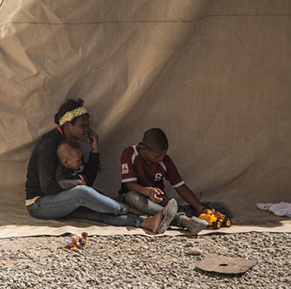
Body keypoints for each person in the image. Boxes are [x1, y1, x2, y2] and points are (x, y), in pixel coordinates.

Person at [25, 98, 177, 233]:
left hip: (62, 200)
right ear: (67, 125)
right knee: (82, 194)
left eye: (88, 125)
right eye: (82, 126)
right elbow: (48, 187)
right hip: (40, 204)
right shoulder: (49, 144)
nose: (87, 130)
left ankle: (145, 222)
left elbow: (87, 182)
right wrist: (75, 185)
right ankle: (135, 211)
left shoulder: (72, 145)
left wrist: (95, 151)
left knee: (97, 211)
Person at [119, 128, 224, 234]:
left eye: (163, 155)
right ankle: (182, 220)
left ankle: (201, 210)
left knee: (170, 203)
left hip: (158, 199)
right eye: (157, 156)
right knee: (132, 198)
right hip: (133, 196)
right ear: (144, 149)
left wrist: (201, 208)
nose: (161, 158)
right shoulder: (130, 153)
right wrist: (148, 191)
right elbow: (129, 185)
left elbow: (180, 187)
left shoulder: (165, 161)